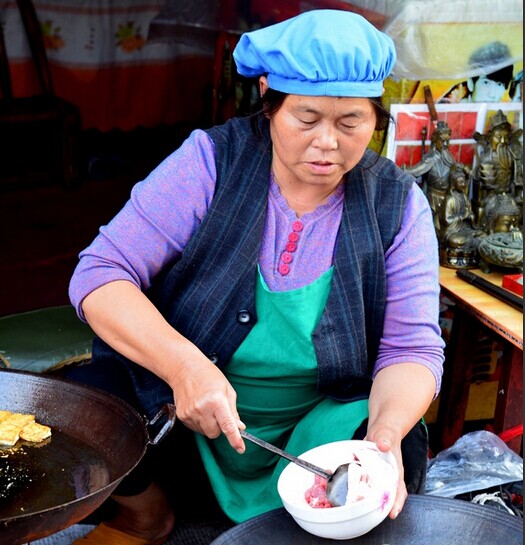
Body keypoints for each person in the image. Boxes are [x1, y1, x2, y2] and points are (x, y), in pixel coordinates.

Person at [64, 9, 445, 545]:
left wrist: (382, 437)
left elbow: (412, 348)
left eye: (351, 122)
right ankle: (146, 515)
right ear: (267, 97)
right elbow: (100, 274)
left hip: (320, 431)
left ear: (375, 117)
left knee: (399, 450)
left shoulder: (398, 204)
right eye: (307, 119)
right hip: (190, 420)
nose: (327, 143)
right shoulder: (210, 162)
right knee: (88, 404)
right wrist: (184, 367)